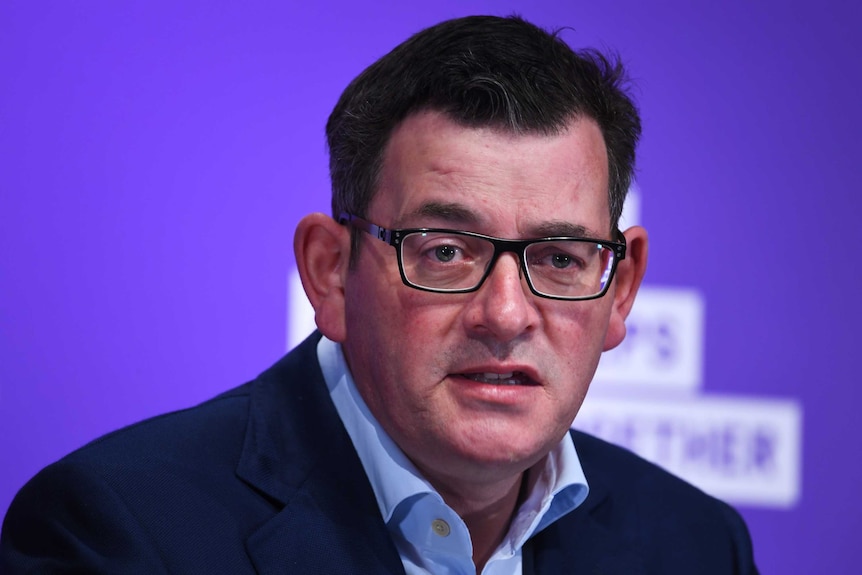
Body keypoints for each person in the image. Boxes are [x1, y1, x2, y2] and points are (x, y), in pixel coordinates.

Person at [0, 14, 758, 575]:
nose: (504, 314)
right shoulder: (119, 533)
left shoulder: (693, 544)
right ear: (330, 271)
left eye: (559, 257)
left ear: (619, 289)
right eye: (446, 251)